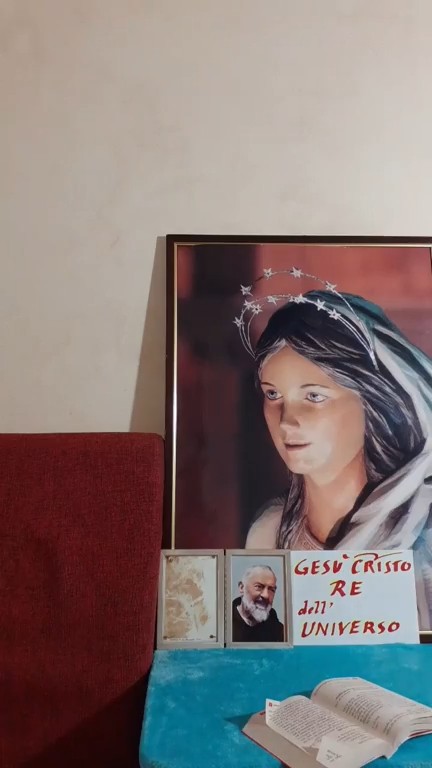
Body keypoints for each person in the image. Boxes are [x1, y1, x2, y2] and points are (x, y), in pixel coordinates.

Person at [234, 270, 432, 629]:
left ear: (369, 400)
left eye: (314, 396)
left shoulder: (420, 529)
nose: (287, 420)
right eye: (273, 394)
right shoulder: (269, 531)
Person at [232, 564, 285, 642]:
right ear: (242, 587)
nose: (266, 595)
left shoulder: (278, 630)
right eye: (258, 586)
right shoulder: (223, 622)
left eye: (271, 589)